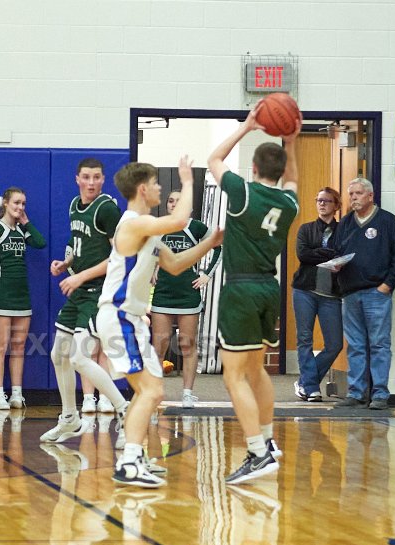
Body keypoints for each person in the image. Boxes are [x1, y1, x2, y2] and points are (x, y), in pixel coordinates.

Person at [95, 158, 222, 488]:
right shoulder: (133, 224)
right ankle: (129, 462)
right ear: (142, 189)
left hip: (133, 319)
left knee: (151, 391)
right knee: (150, 391)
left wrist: (209, 243)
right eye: (155, 184)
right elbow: (179, 220)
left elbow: (176, 264)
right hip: (119, 316)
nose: (160, 189)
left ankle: (134, 456)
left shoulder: (147, 231)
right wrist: (189, 181)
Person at [207, 101, 301, 485]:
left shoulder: (243, 192)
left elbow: (213, 159)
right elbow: (292, 179)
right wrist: (290, 142)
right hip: (268, 288)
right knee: (256, 369)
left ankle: (257, 452)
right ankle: (268, 439)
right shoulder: (289, 202)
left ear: (254, 168)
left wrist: (246, 127)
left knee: (234, 377)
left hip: (241, 289)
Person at [43, 158, 131, 446]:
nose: (91, 182)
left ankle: (125, 411)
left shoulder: (107, 209)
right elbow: (81, 246)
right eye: (86, 177)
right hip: (80, 289)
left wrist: (80, 276)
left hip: (98, 292)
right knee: (58, 354)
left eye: (96, 177)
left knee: (79, 358)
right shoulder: (74, 206)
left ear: (103, 180)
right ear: (77, 179)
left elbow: (118, 257)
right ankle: (70, 418)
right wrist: (67, 263)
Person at [331, 177, 395, 410]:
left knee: (379, 345)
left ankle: (380, 395)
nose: (353, 198)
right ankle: (355, 393)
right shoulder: (345, 223)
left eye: (358, 193)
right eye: (351, 194)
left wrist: (387, 285)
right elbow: (336, 252)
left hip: (377, 293)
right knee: (355, 345)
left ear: (370, 196)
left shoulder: (387, 221)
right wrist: (335, 266)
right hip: (350, 293)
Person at [149, 190, 222, 409]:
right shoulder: (159, 226)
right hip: (163, 292)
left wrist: (206, 274)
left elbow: (218, 247)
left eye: (179, 201)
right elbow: (152, 252)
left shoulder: (196, 227)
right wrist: (152, 268)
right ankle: (155, 394)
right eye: (171, 201)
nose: (174, 204)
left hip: (188, 294)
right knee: (159, 345)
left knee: (187, 345)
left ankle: (188, 394)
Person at [0, 187, 46, 410]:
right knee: (0, 346)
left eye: (23, 204)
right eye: (16, 203)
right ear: (5, 203)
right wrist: (1, 276)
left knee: (19, 347)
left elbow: (40, 242)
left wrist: (26, 222)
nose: (20, 207)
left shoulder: (20, 230)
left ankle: (17, 393)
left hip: (22, 296)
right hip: (2, 295)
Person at [291, 187, 343, 402]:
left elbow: (344, 255)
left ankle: (305, 382)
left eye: (326, 201)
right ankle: (312, 388)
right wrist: (328, 254)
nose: (321, 204)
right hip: (305, 290)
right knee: (305, 339)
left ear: (336, 205)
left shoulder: (343, 231)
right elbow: (303, 255)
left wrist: (318, 254)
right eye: (318, 200)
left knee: (335, 344)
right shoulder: (306, 229)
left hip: (331, 294)